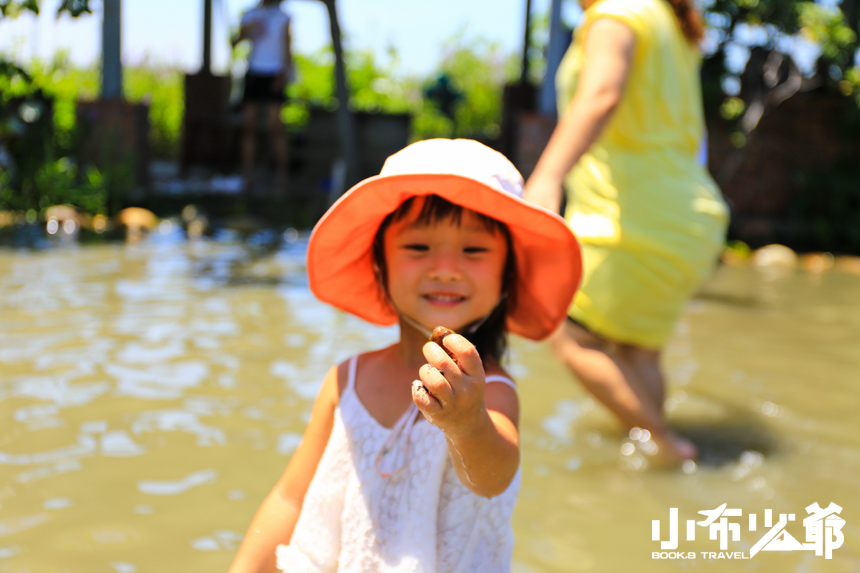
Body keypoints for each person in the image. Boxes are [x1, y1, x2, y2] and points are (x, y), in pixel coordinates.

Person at [228, 139, 582, 573]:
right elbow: (291, 497)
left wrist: (467, 422)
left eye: (474, 250)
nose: (446, 268)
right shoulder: (347, 379)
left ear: (507, 275)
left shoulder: (491, 391)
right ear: (380, 263)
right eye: (418, 248)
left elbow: (491, 477)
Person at [523, 0, 729, 463]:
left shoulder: (615, 13)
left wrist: (548, 175)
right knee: (639, 353)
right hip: (691, 212)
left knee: (569, 335)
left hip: (631, 215)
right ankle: (657, 461)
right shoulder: (670, 23)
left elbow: (602, 94)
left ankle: (665, 445)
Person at [232, 0, 293, 198]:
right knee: (250, 127)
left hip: (274, 72)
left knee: (276, 127)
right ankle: (247, 178)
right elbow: (234, 42)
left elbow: (287, 45)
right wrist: (247, 30)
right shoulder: (250, 14)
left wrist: (283, 74)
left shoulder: (283, 17)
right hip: (254, 72)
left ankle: (282, 178)